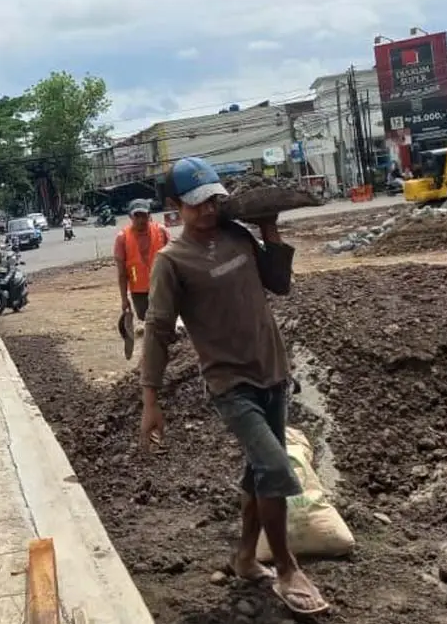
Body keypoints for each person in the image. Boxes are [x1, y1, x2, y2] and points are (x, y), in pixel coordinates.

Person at [139, 156, 328, 616]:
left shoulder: (237, 236)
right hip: (230, 384)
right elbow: (159, 329)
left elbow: (279, 284)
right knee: (276, 468)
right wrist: (151, 399)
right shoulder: (172, 262)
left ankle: (245, 558)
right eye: (197, 203)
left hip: (273, 372)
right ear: (174, 206)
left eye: (214, 200)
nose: (208, 210)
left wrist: (270, 231)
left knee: (259, 473)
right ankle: (286, 568)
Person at [114, 199, 170, 331]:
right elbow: (122, 273)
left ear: (149, 215)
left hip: (162, 286)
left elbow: (174, 259)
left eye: (144, 215)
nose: (141, 220)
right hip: (139, 291)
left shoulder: (161, 231)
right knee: (148, 322)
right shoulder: (122, 238)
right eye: (137, 216)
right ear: (130, 217)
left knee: (166, 320)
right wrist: (124, 299)